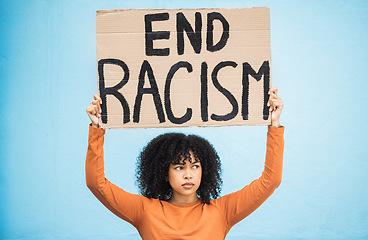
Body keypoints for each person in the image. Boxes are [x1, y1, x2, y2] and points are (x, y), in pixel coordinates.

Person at [85, 87, 284, 239]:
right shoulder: (145, 211)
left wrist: (274, 124)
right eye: (179, 167)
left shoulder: (222, 211)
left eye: (195, 166)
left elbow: (270, 181)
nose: (188, 174)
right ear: (165, 172)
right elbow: (96, 183)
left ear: (204, 171)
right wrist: (96, 127)